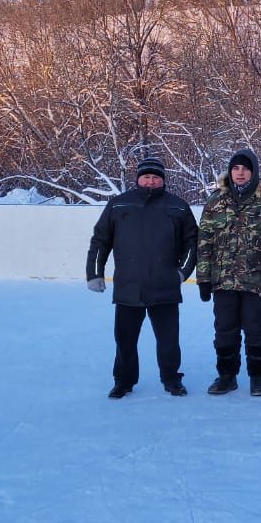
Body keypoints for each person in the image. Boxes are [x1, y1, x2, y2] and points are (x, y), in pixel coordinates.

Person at [87, 156, 198, 399]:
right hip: (129, 287)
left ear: (163, 180)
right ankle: (123, 381)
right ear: (138, 179)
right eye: (146, 177)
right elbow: (100, 240)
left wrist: (182, 273)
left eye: (155, 177)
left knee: (169, 342)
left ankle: (171, 379)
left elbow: (192, 243)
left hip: (165, 288)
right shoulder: (118, 205)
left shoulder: (178, 207)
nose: (150, 181)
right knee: (125, 341)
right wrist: (95, 273)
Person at [195, 148, 261, 397]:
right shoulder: (216, 201)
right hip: (223, 280)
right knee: (224, 329)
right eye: (236, 168)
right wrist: (203, 278)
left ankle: (258, 376)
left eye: (245, 168)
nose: (240, 173)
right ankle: (226, 375)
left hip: (256, 279)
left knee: (256, 329)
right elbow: (205, 242)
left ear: (253, 172)